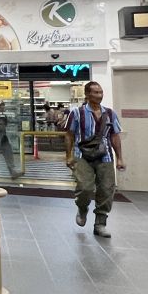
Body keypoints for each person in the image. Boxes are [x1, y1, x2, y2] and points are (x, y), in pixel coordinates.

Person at [64, 81, 124, 238]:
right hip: (82, 155)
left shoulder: (110, 114)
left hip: (105, 155)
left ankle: (100, 223)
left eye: (101, 92)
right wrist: (69, 156)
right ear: (87, 94)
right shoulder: (77, 113)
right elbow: (69, 135)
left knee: (106, 189)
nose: (99, 95)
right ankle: (82, 207)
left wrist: (119, 158)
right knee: (85, 187)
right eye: (96, 92)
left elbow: (115, 136)